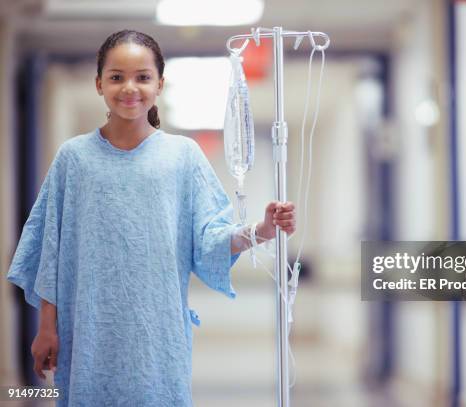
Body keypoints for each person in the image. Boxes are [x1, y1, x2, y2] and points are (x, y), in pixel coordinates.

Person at [6, 29, 296, 406]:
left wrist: (262, 229)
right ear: (98, 84)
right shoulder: (73, 159)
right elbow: (51, 249)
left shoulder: (182, 157)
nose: (130, 88)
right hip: (87, 334)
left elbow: (210, 236)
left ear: (160, 83)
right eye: (116, 77)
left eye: (143, 77)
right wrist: (46, 327)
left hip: (158, 337)